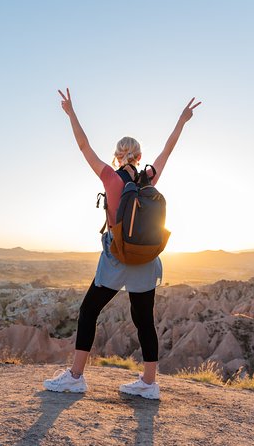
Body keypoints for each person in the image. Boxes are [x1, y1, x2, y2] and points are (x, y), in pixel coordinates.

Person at [43, 88, 201, 399]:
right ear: (139, 157)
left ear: (118, 155)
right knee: (144, 320)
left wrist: (71, 113)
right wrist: (182, 120)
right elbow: (168, 150)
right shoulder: (148, 180)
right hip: (145, 259)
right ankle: (149, 383)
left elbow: (83, 145)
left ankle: (76, 376)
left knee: (89, 311)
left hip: (116, 258)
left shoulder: (110, 178)